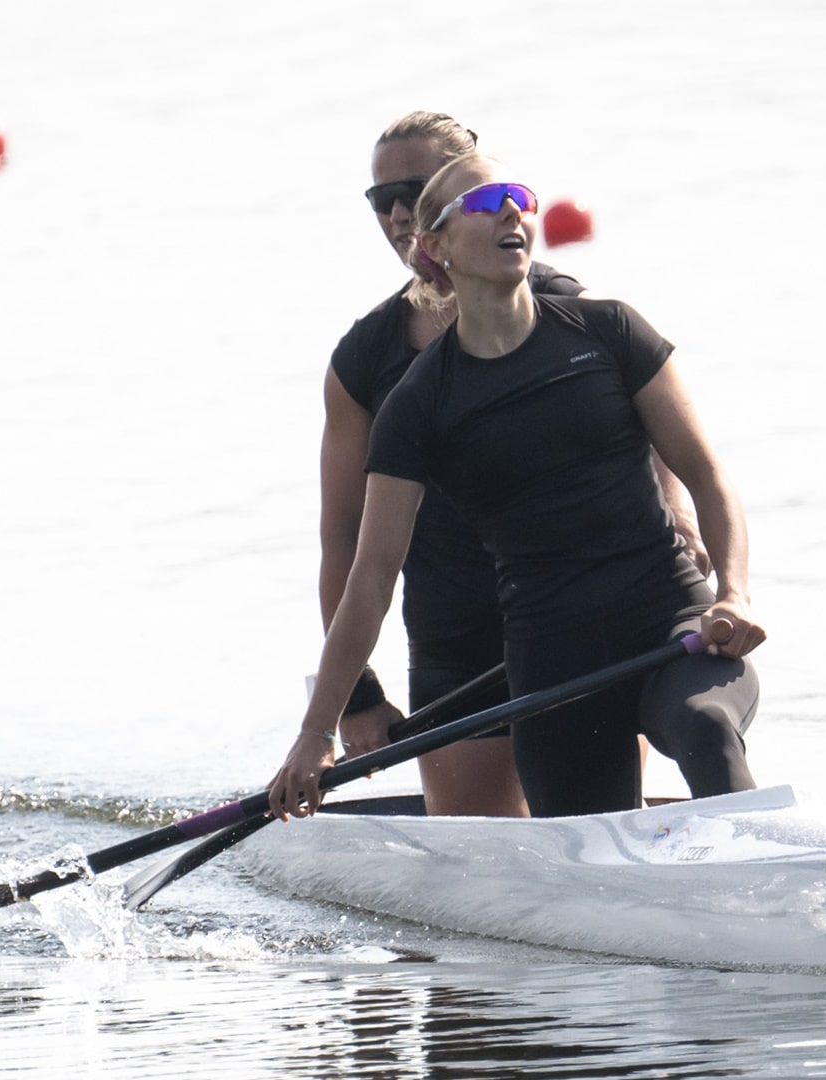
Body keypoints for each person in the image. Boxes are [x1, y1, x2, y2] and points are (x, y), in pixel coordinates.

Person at [273, 151, 763, 820]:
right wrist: (317, 730)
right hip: (553, 668)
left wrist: (733, 594)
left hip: (670, 625)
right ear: (435, 246)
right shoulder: (418, 405)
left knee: (705, 725)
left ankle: (765, 885)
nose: (510, 210)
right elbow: (373, 574)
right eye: (483, 202)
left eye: (518, 196)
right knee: (588, 839)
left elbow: (707, 475)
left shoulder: (610, 329)